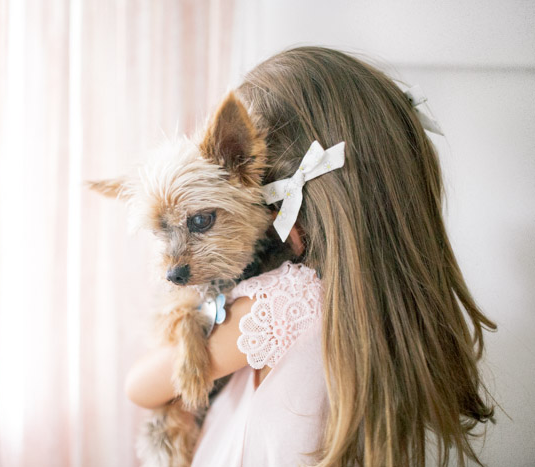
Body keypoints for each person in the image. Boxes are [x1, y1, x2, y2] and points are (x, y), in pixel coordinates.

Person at [125, 47, 496, 466]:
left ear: (286, 198)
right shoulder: (389, 301)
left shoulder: (289, 300)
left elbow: (139, 386)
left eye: (256, 183)